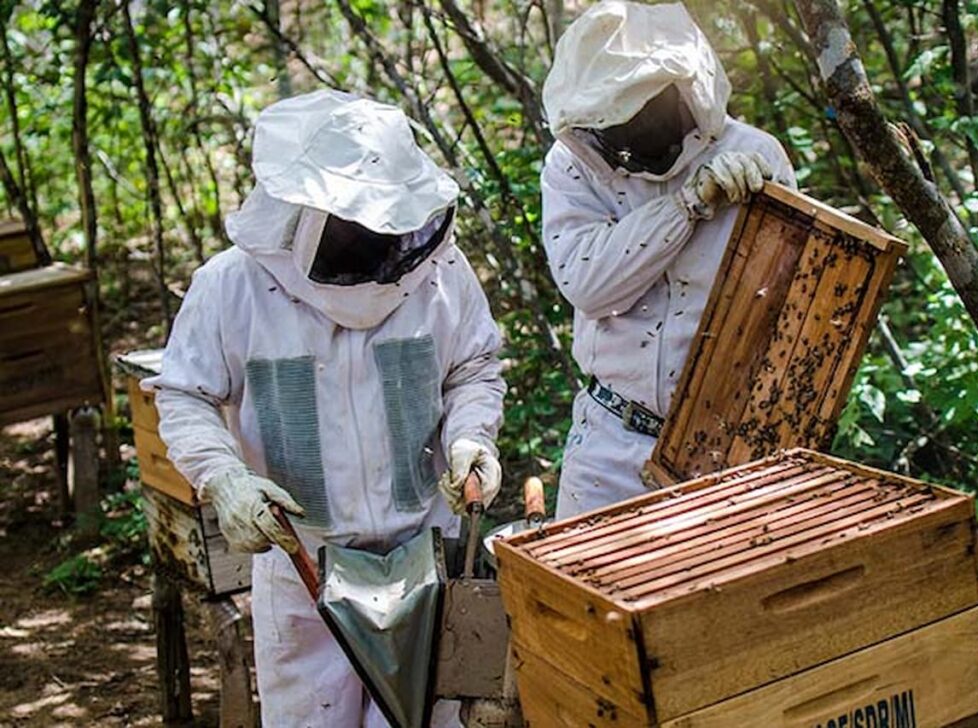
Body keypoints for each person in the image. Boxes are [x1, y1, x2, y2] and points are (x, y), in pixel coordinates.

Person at [143, 90, 505, 727]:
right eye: (354, 223)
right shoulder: (232, 287)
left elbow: (472, 369)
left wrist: (471, 439)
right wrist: (224, 481)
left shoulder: (441, 274)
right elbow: (185, 394)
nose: (373, 238)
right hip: (304, 568)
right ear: (303, 214)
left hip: (430, 561)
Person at [541, 1, 796, 519]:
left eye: (641, 111)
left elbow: (795, 312)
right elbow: (588, 283)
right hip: (609, 444)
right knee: (585, 597)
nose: (630, 131)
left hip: (730, 450)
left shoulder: (757, 154)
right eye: (615, 119)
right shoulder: (574, 166)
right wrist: (687, 206)